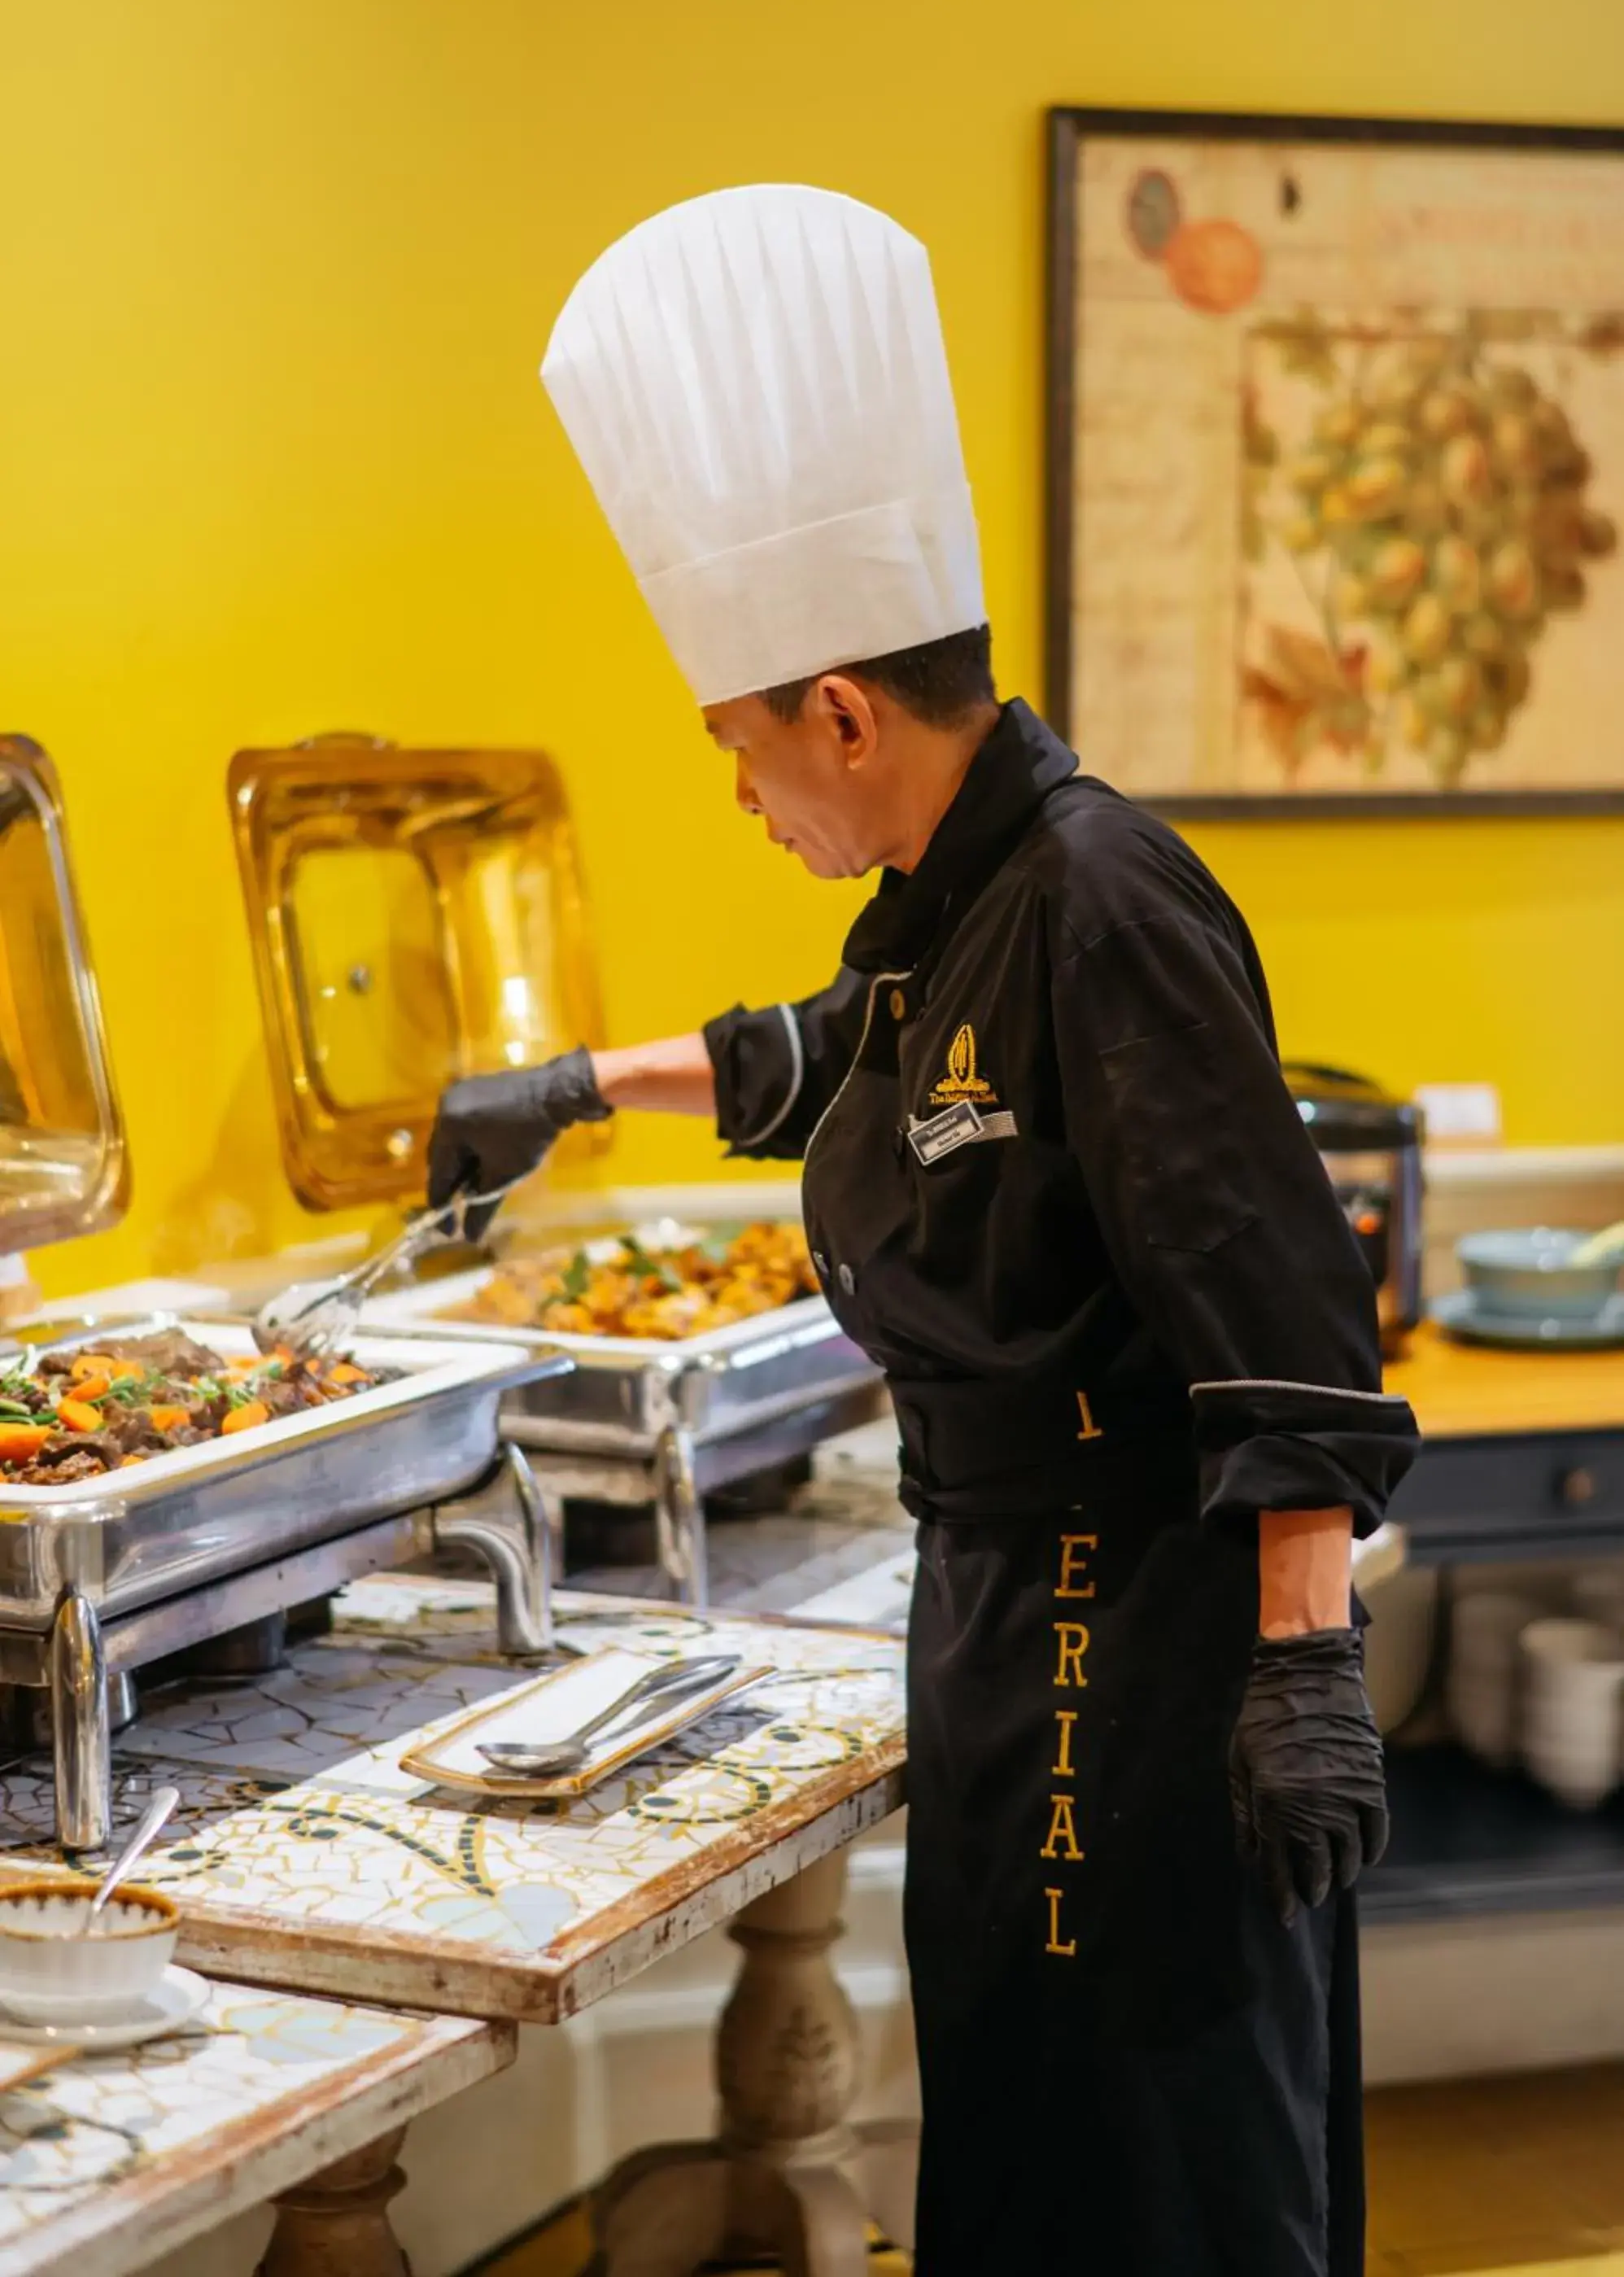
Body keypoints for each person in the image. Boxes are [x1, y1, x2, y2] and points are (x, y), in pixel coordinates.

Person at [429, 186, 1419, 2275]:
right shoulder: (949, 908)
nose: (741, 794)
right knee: (1026, 2131)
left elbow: (1277, 1308)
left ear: (844, 714)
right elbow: (843, 1059)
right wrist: (576, 1088)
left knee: (1148, 2159)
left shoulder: (1100, 901)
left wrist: (1303, 1668)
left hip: (1133, 1632)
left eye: (738, 745)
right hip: (1004, 1609)